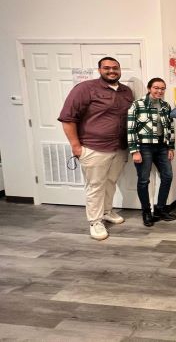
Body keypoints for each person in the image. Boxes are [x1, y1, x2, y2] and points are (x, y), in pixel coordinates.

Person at [58, 57, 134, 241]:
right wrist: (76, 146)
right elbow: (68, 118)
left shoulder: (126, 91)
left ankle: (107, 211)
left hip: (120, 146)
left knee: (111, 182)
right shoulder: (85, 89)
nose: (111, 71)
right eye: (107, 68)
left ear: (120, 69)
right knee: (95, 186)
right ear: (99, 70)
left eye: (115, 68)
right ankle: (95, 221)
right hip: (94, 147)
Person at [127, 78, 176, 227]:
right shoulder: (137, 105)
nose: (159, 91)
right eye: (156, 88)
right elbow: (130, 129)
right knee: (144, 180)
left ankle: (160, 209)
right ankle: (146, 212)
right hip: (144, 147)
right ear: (149, 88)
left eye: (162, 88)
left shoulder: (166, 106)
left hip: (162, 146)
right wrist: (134, 151)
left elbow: (171, 128)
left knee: (167, 176)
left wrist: (171, 147)